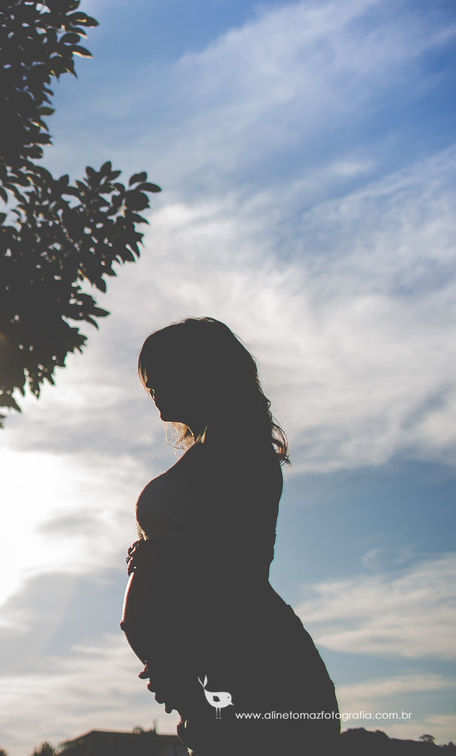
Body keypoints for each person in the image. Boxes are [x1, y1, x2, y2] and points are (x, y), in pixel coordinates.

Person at [120, 317, 339, 755]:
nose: (152, 386)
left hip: (255, 670)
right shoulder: (214, 450)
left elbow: (229, 567)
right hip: (215, 670)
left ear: (202, 371)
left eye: (161, 372)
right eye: (148, 380)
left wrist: (156, 563)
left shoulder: (239, 448)